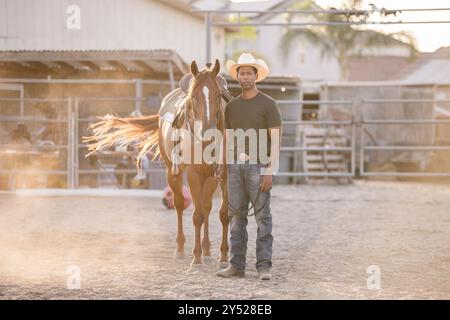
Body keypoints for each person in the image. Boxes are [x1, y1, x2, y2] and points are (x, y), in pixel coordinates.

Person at [215, 53, 282, 280]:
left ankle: (264, 266)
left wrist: (269, 170)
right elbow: (226, 139)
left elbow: (276, 140)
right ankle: (236, 265)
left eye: (248, 73)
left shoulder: (269, 104)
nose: (244, 77)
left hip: (258, 166)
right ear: (237, 77)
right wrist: (222, 165)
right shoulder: (231, 107)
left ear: (256, 76)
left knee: (263, 218)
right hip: (235, 167)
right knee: (236, 217)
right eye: (241, 73)